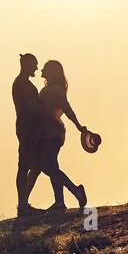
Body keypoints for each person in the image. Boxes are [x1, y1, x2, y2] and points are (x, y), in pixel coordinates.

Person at [37, 59, 88, 211]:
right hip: (47, 133)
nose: (41, 71)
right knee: (52, 166)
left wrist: (79, 126)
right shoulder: (48, 89)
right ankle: (59, 202)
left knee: (47, 166)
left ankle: (76, 191)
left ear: (52, 71)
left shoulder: (56, 90)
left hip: (54, 132)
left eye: (45, 68)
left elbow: (67, 109)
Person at [12, 53, 45, 216]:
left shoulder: (24, 83)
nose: (37, 68)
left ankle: (24, 203)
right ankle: (22, 205)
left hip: (31, 129)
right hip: (28, 129)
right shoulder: (22, 83)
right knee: (24, 166)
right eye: (35, 65)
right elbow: (33, 107)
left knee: (36, 166)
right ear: (27, 65)